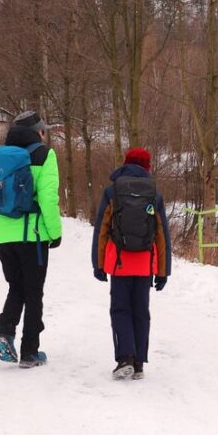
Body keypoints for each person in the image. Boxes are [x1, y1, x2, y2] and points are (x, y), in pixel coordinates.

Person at [0, 110, 62, 369]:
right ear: (38, 132)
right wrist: (55, 232)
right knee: (34, 293)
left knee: (16, 287)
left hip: (3, 237)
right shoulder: (45, 155)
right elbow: (48, 198)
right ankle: (30, 352)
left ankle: (5, 332)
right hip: (32, 237)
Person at [91, 147, 171, 380]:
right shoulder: (154, 194)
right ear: (147, 167)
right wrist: (163, 271)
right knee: (141, 311)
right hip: (145, 264)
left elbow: (101, 230)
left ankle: (124, 357)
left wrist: (98, 264)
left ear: (125, 163)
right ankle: (138, 363)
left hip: (119, 263)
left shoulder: (113, 191)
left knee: (120, 309)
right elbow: (162, 235)